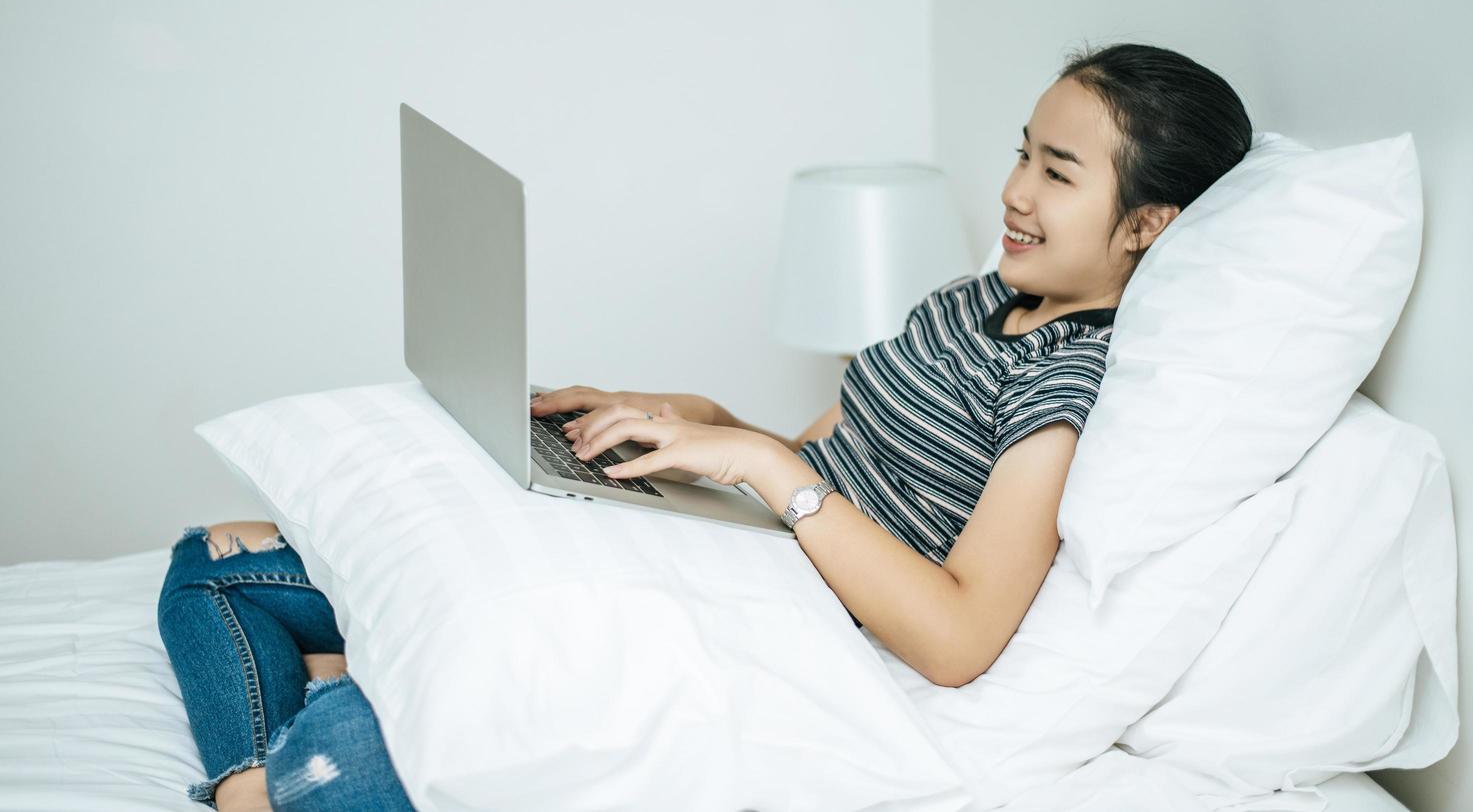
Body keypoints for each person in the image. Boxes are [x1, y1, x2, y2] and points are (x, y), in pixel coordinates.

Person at [156, 41, 1253, 810]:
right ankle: (306, 728)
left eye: (1056, 174)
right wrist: (690, 422)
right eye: (1022, 150)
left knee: (342, 768)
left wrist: (767, 468)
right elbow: (835, 444)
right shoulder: (983, 297)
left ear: (1148, 224)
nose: (1014, 190)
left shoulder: (1066, 382)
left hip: (787, 621)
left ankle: (277, 760)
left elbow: (960, 637)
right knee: (209, 562)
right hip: (739, 543)